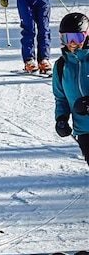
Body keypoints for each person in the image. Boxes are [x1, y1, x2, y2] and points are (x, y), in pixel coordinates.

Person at [52, 12, 89, 166]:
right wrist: (61, 119)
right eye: (67, 38)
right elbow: (61, 98)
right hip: (83, 130)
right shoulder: (61, 66)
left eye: (78, 38)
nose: (73, 43)